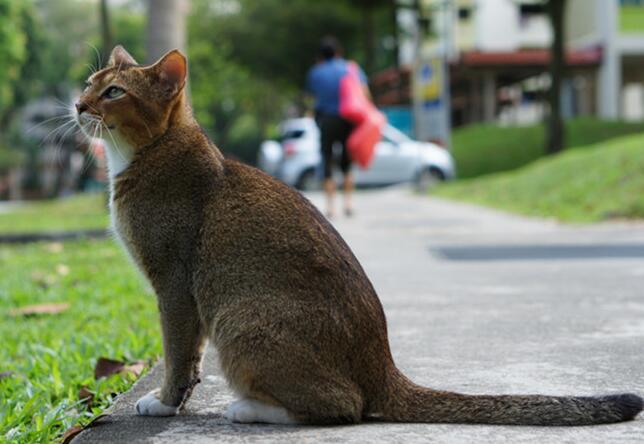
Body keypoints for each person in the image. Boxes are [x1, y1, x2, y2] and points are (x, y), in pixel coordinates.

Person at [306, 37, 368, 218]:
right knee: (346, 163)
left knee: (326, 161)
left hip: (326, 119)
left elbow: (311, 97)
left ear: (321, 55)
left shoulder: (315, 72)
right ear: (338, 52)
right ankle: (348, 204)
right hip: (347, 118)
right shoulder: (349, 68)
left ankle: (330, 207)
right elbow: (364, 92)